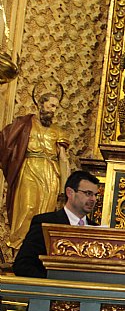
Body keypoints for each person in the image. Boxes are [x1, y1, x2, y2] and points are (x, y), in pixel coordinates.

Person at [0, 87, 70, 251]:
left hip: (51, 173)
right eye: (50, 105)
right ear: (41, 104)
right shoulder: (24, 124)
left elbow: (63, 158)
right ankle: (18, 250)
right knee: (27, 208)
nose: (53, 110)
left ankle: (38, 250)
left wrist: (65, 186)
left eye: (56, 107)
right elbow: (7, 141)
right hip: (29, 170)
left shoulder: (58, 131)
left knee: (45, 213)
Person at [13, 170, 99, 278]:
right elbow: (22, 265)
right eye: (88, 193)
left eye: (95, 195)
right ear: (70, 193)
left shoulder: (97, 230)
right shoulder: (45, 223)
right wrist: (53, 282)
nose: (94, 199)